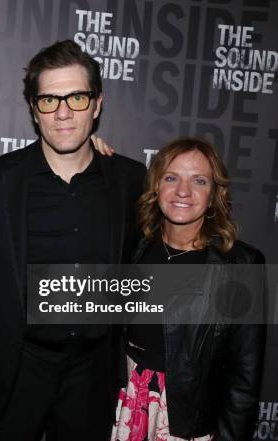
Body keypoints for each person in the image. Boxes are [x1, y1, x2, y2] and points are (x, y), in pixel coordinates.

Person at [0, 40, 147, 441]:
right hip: (15, 369)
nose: (63, 113)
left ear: (97, 104)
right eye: (49, 100)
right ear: (33, 108)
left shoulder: (130, 180)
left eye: (77, 98)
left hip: (94, 374)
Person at [111, 138, 266, 441]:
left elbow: (244, 378)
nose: (183, 191)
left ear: (214, 195)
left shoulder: (241, 265)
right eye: (171, 178)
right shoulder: (133, 247)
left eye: (199, 181)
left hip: (185, 420)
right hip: (123, 405)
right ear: (156, 187)